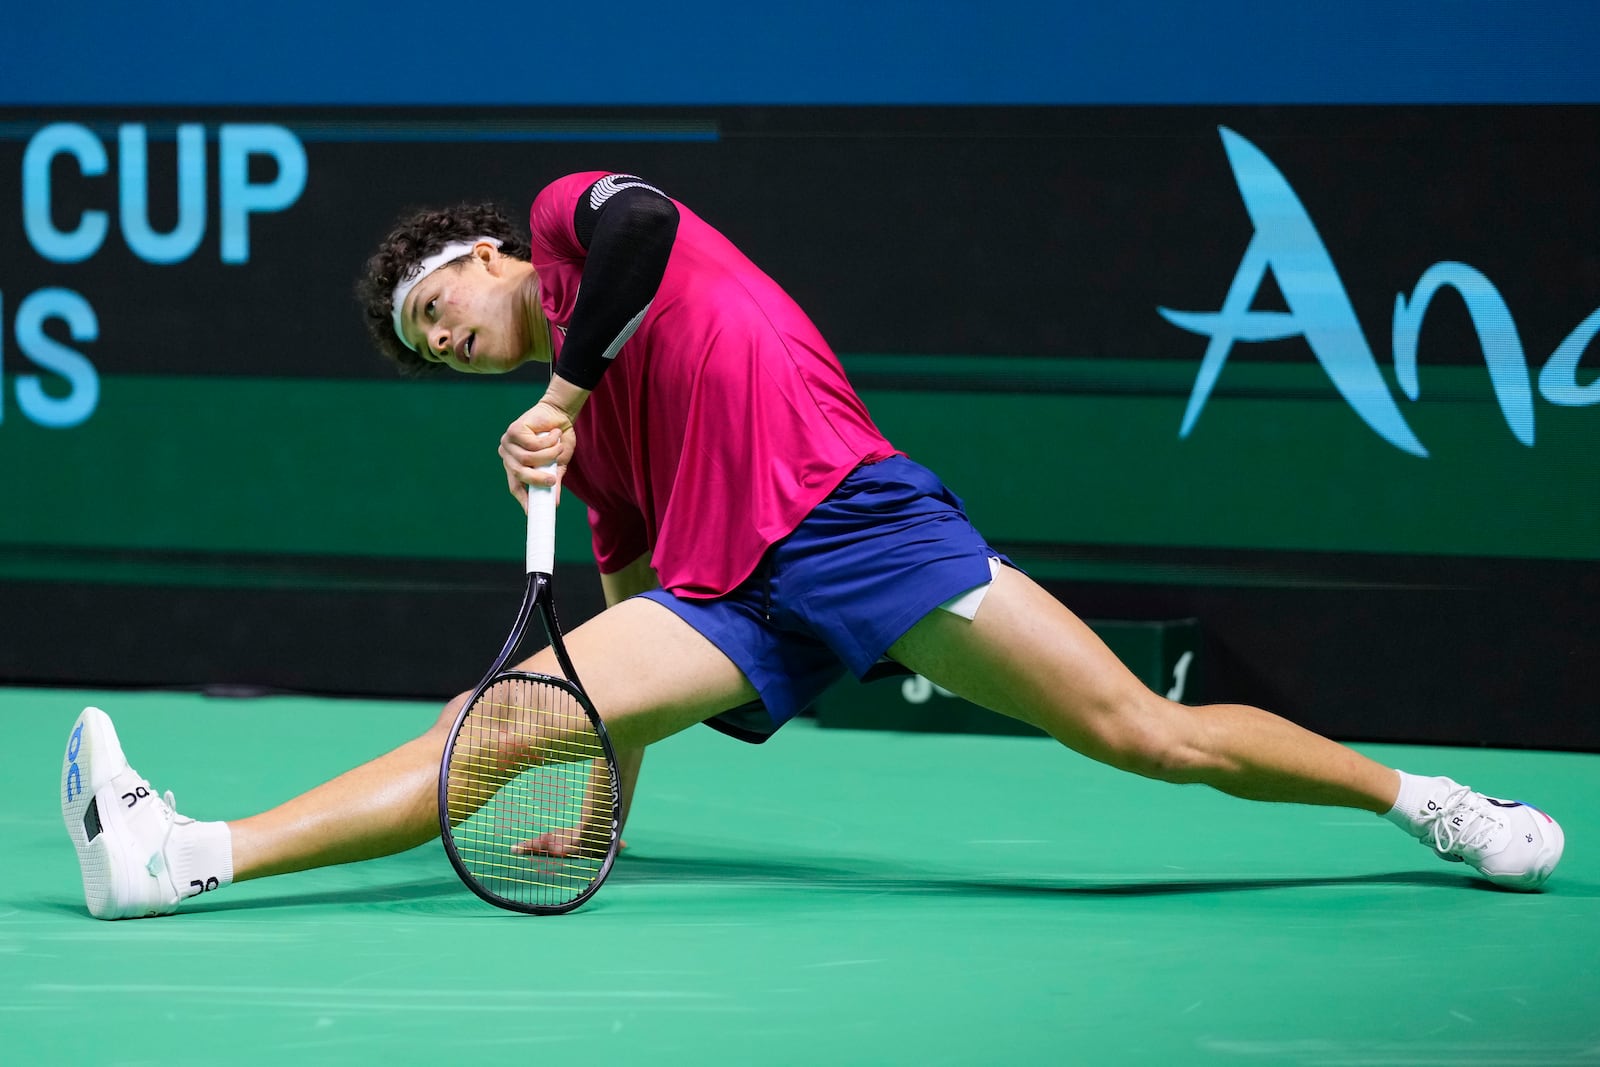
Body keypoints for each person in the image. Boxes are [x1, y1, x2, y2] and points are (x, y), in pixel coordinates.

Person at [61, 172, 1564, 920]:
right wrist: (602, 794)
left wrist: (563, 389)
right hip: (733, 601)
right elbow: (632, 607)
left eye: (440, 312)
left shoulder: (577, 221)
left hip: (854, 524)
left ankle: (1421, 800)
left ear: (495, 259)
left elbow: (644, 235)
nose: (447, 343)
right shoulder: (591, 457)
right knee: (503, 722)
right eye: (429, 353)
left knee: (1142, 735)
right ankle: (182, 857)